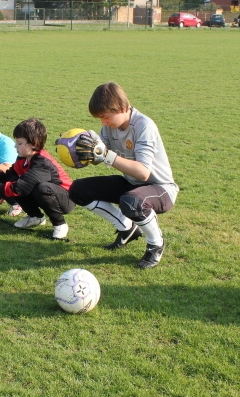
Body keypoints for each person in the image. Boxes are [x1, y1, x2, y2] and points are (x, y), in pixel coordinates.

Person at [69, 82, 178, 269]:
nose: (103, 123)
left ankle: (155, 245)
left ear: (121, 108)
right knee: (78, 190)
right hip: (130, 183)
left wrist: (105, 155)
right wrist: (83, 154)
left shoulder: (144, 126)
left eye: (105, 117)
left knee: (132, 201)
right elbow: (101, 154)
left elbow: (143, 173)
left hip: (161, 188)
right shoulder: (109, 127)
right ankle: (127, 228)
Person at [0, 118, 74, 239]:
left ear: (34, 144)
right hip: (47, 193)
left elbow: (21, 186)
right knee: (9, 178)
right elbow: (9, 174)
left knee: (40, 188)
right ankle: (35, 217)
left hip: (66, 199)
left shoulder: (42, 162)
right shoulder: (23, 158)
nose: (15, 146)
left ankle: (60, 224)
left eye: (19, 143)